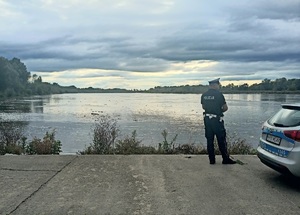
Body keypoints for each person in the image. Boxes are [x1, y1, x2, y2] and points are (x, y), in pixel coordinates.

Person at [200, 78, 236, 165]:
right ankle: (225, 159)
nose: (219, 86)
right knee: (221, 139)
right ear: (215, 85)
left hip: (207, 120)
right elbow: (225, 108)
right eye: (218, 85)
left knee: (209, 140)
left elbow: (203, 107)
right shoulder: (219, 95)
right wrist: (218, 111)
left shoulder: (204, 95)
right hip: (217, 120)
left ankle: (212, 160)